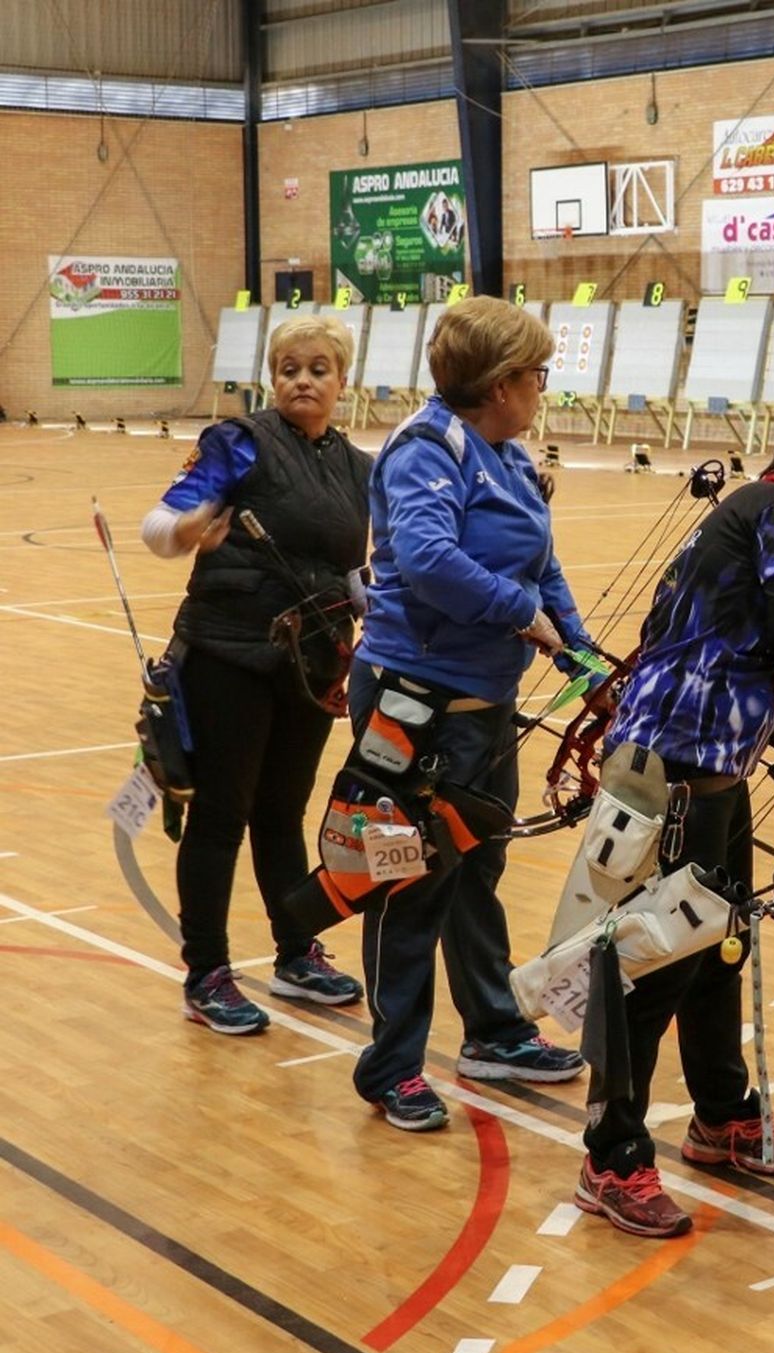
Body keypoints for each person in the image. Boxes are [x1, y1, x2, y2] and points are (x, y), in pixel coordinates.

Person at [571, 405, 774, 1238]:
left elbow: (739, 673)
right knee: (654, 966)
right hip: (673, 779)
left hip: (706, 774)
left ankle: (720, 1115)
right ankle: (611, 1158)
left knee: (720, 950)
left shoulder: (744, 518)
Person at [350, 295, 594, 1132]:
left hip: (484, 704)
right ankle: (392, 1067)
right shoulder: (428, 449)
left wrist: (581, 651)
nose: (541, 390)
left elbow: (542, 567)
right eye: (537, 376)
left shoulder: (509, 457)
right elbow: (426, 560)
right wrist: (519, 615)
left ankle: (492, 1032)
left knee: (476, 869)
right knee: (408, 883)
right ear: (500, 384)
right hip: (413, 702)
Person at [141, 313, 371, 1034]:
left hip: (312, 664)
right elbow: (160, 525)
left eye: (318, 370)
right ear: (272, 378)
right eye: (288, 369)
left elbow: (352, 571)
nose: (303, 381)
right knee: (220, 815)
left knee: (282, 812)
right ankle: (206, 972)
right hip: (227, 654)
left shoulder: (359, 467)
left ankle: (295, 953)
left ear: (342, 380)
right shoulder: (238, 441)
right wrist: (186, 530)